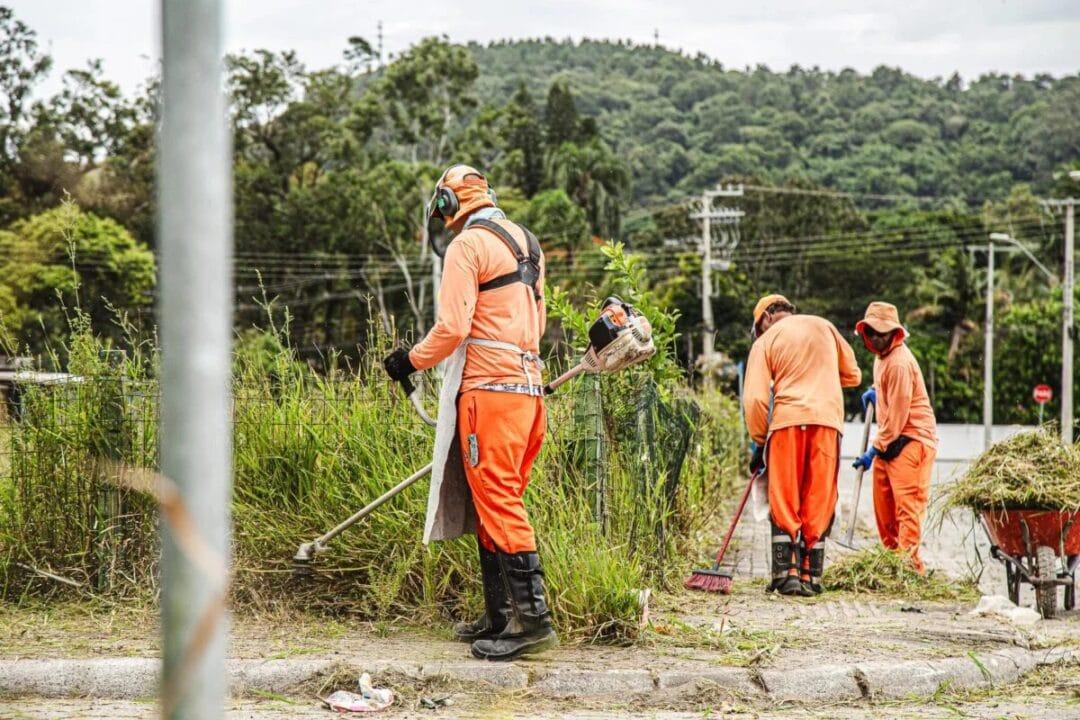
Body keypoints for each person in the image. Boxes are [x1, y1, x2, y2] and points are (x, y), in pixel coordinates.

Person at [382, 164, 556, 661]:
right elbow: (539, 323)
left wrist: (408, 361)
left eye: (442, 211)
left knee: (498, 502)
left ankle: (533, 624)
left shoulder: (467, 245)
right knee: (494, 503)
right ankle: (501, 616)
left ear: (449, 204)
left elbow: (453, 327)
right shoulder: (528, 244)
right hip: (528, 393)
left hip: (489, 394)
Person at [743, 294, 861, 596]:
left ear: (766, 317)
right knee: (818, 496)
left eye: (759, 328)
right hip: (827, 422)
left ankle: (787, 575)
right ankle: (811, 576)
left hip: (787, 423)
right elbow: (853, 375)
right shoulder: (825, 326)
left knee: (785, 496)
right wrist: (818, 372)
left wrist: (760, 440)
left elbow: (755, 400)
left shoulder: (766, 342)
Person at [853, 302, 938, 573]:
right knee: (884, 510)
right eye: (871, 332)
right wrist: (876, 392)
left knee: (906, 510)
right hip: (890, 440)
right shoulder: (881, 358)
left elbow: (898, 419)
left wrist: (873, 451)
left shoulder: (900, 362)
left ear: (894, 333)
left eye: (882, 333)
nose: (876, 337)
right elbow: (887, 395)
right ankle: (892, 567)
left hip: (912, 439)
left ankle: (910, 570)